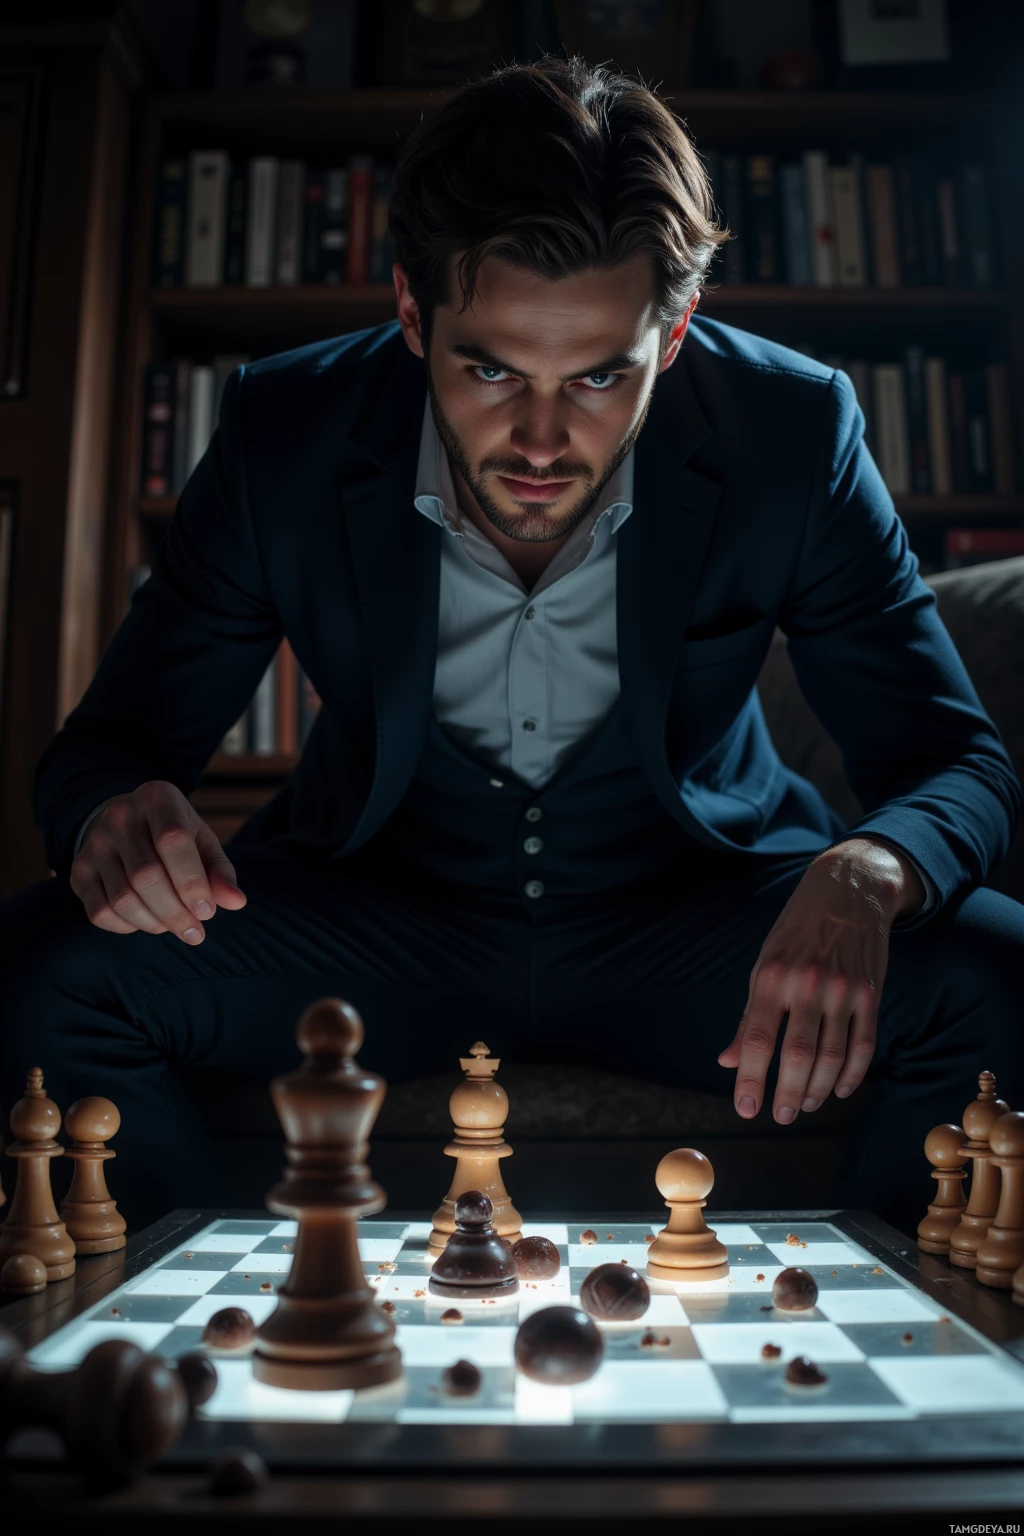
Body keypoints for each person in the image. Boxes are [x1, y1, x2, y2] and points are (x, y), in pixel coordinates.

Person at [1, 56, 1021, 1233]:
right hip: (387, 917)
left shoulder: (792, 430)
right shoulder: (288, 430)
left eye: (599, 377)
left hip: (688, 923)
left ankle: (883, 1355)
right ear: (408, 312)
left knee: (995, 971)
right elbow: (108, 746)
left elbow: (959, 764)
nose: (540, 440)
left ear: (675, 332)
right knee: (41, 958)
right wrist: (113, 815)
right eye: (488, 369)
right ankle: (175, 1363)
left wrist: (865, 870)